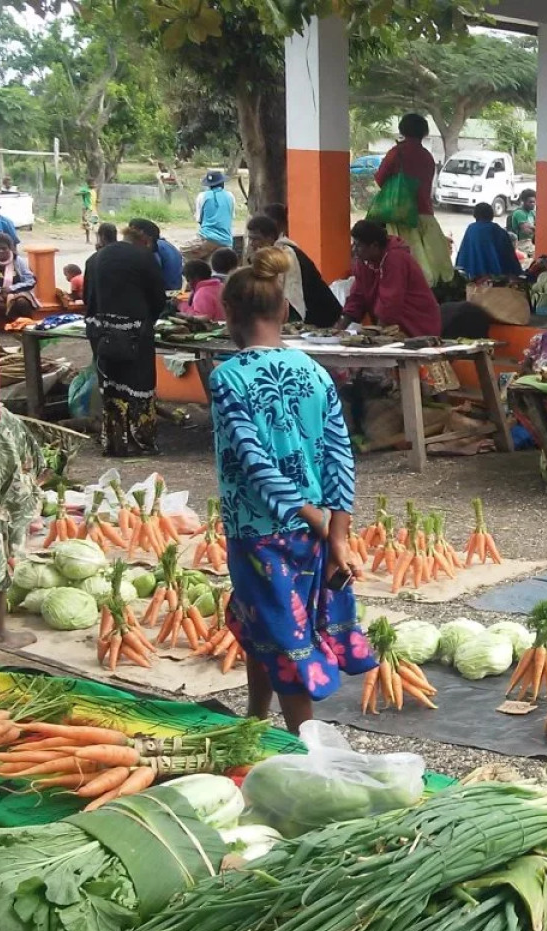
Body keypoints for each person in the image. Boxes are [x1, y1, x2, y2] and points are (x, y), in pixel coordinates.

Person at [208, 246, 373, 734]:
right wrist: (335, 530)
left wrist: (316, 521)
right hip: (311, 528)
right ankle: (256, 717)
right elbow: (341, 455)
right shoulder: (314, 371)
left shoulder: (226, 378)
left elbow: (254, 464)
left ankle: (305, 742)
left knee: (284, 635)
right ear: (284, 311)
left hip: (259, 530)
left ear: (228, 312)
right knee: (262, 622)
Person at [85, 221, 167, 455]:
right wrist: (148, 320)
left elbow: (88, 299)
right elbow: (158, 298)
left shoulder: (95, 259)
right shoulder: (144, 257)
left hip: (102, 332)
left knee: (111, 386)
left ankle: (114, 442)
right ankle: (143, 441)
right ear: (146, 241)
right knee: (139, 385)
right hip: (135, 332)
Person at [373, 113, 452, 286]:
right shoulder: (427, 156)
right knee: (431, 264)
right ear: (423, 133)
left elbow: (380, 179)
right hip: (425, 213)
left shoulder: (396, 153)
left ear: (402, 130)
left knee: (402, 265)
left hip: (399, 216)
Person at [341, 218, 441, 338]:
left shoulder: (396, 258)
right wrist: (338, 330)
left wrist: (377, 337)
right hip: (393, 328)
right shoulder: (363, 262)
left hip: (418, 325)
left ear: (374, 246)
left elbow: (390, 302)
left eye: (358, 245)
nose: (354, 249)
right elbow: (357, 296)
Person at [245, 214, 343, 329]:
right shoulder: (269, 255)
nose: (252, 244)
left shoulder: (287, 255)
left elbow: (292, 296)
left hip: (319, 316)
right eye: (250, 239)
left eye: (256, 239)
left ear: (270, 238)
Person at [455, 202, 522, 279]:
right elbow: (509, 256)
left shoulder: (471, 229)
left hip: (473, 276)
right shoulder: (498, 230)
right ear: (492, 215)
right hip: (495, 278)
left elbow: (464, 254)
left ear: (475, 216)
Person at [185, 169, 235, 258]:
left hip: (206, 238)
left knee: (183, 251)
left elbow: (199, 219)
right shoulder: (230, 196)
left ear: (209, 186)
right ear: (222, 183)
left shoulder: (202, 196)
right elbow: (231, 217)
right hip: (226, 240)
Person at [131, 218, 182, 291]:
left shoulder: (154, 249)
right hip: (174, 289)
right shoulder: (167, 245)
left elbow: (153, 276)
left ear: (141, 233)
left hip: (164, 292)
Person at [0, 234, 37, 324]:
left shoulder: (18, 260)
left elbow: (31, 281)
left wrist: (11, 289)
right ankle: (9, 322)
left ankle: (26, 324)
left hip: (18, 292)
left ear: (10, 248)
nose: (1, 251)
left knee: (22, 302)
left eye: (4, 248)